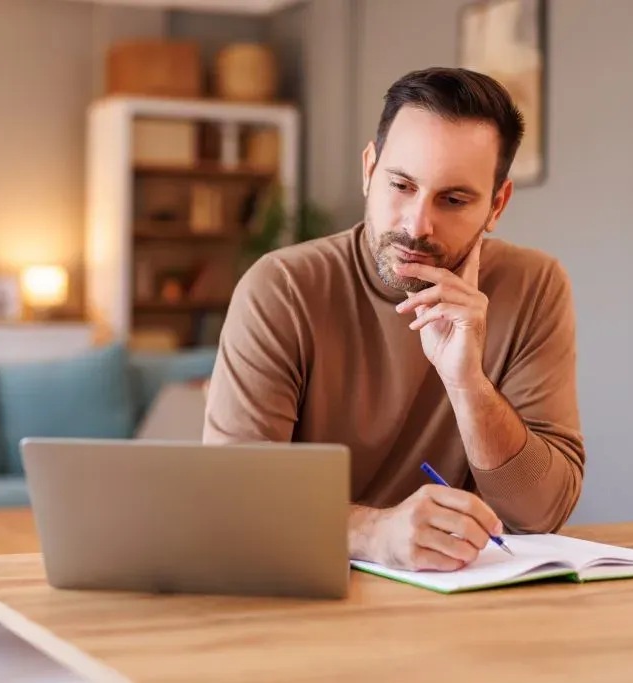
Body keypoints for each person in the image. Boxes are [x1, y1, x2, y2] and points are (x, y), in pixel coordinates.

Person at [203, 67, 584, 573]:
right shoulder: (282, 287)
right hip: (304, 592)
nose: (416, 225)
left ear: (497, 205)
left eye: (453, 200)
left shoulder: (535, 286)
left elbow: (542, 513)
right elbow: (231, 497)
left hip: (461, 604)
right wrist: (374, 532)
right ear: (368, 169)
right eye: (401, 184)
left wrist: (467, 383)